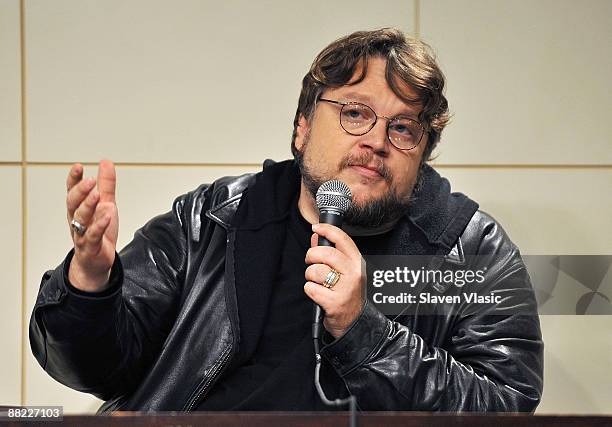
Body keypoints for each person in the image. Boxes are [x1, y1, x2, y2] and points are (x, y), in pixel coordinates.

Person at [30, 28, 543, 412]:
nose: (377, 141)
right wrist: (90, 284)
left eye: (404, 127)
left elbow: (506, 406)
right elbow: (90, 367)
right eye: (355, 112)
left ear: (422, 153)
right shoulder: (211, 221)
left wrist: (363, 331)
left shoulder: (469, 250)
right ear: (302, 127)